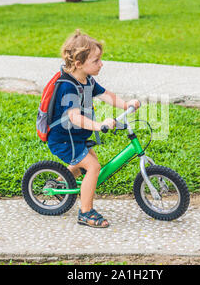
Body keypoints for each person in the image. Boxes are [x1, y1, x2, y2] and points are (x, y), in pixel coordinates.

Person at [47, 29, 140, 228]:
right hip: (64, 138)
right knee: (93, 166)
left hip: (75, 135)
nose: (101, 64)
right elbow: (74, 117)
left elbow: (105, 94)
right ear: (79, 63)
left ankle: (59, 183)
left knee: (88, 163)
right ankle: (85, 213)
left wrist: (126, 104)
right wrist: (99, 125)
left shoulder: (86, 79)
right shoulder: (67, 86)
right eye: (96, 60)